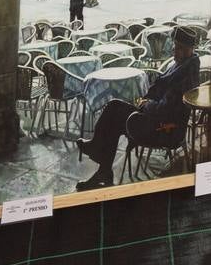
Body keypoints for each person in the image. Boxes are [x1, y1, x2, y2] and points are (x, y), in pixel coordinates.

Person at [75, 26, 202, 190]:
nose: (174, 51)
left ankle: (102, 165)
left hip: (165, 129)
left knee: (115, 116)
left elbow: (167, 109)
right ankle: (102, 166)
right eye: (175, 46)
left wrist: (147, 104)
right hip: (157, 119)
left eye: (180, 48)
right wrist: (147, 99)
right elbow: (159, 88)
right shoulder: (182, 64)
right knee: (114, 108)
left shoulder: (187, 75)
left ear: (190, 50)